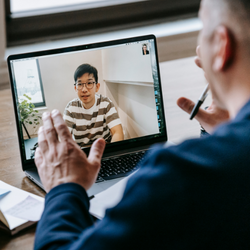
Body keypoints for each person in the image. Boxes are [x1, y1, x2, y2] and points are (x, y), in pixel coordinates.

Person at [34, 0, 250, 248]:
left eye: (203, 25)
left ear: (222, 46)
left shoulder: (176, 175)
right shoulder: (71, 107)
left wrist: (64, 187)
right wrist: (224, 136)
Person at [63, 63, 124, 147]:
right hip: (82, 153)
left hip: (104, 149)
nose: (84, 89)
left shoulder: (106, 103)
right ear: (75, 88)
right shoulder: (70, 108)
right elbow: (63, 138)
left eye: (89, 83)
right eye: (80, 84)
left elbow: (117, 132)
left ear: (97, 87)